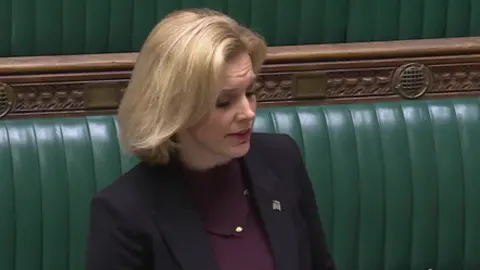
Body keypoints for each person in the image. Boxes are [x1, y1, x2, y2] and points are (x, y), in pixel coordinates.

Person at [84, 8, 336, 270]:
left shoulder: (281, 160)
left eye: (250, 92)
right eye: (224, 102)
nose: (248, 113)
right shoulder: (122, 213)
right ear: (175, 109)